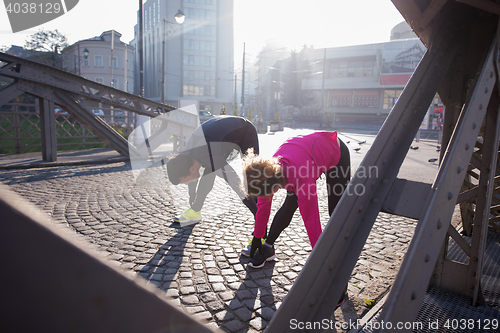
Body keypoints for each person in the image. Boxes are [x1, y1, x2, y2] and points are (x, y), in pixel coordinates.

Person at [242, 131, 351, 268]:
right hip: (304, 154)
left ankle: (338, 251)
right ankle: (267, 247)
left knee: (336, 210)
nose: (266, 196)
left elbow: (312, 220)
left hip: (336, 151)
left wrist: (321, 260)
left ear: (275, 186)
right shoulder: (267, 171)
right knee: (289, 205)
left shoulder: (302, 178)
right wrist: (258, 236)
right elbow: (263, 206)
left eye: (268, 193)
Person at [166, 116, 260, 226]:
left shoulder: (209, 156)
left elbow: (236, 183)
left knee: (251, 176)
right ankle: (195, 211)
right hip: (217, 137)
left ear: (192, 169)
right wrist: (192, 196)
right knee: (209, 172)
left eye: (184, 181)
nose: (186, 183)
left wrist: (257, 214)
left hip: (245, 131)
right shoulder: (185, 157)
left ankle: (260, 218)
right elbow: (191, 181)